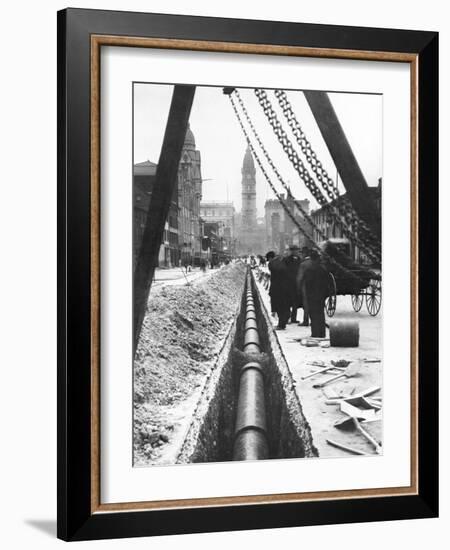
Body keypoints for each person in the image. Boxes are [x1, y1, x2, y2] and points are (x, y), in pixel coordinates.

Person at [302, 249, 330, 338]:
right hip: (321, 295)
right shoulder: (323, 269)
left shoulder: (309, 270)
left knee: (313, 315)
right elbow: (327, 282)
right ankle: (322, 333)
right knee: (321, 314)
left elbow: (307, 283)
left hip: (312, 295)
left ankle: (315, 333)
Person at [266, 250, 290, 329]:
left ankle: (281, 324)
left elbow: (273, 274)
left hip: (277, 288)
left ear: (270, 258)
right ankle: (284, 320)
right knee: (284, 305)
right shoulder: (282, 262)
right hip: (286, 286)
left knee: (279, 306)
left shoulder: (272, 263)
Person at [283, 245, 302, 323]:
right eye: (296, 250)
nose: (297, 252)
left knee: (295, 301)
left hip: (296, 283)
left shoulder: (300, 260)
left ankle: (293, 318)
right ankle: (287, 317)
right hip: (288, 283)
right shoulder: (286, 260)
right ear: (292, 251)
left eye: (297, 250)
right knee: (287, 301)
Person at [296, 246, 312, 326]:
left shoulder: (303, 264)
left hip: (306, 286)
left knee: (306, 304)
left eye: (301, 253)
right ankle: (315, 321)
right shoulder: (316, 262)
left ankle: (306, 321)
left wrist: (298, 287)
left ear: (304, 254)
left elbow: (300, 277)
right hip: (317, 286)